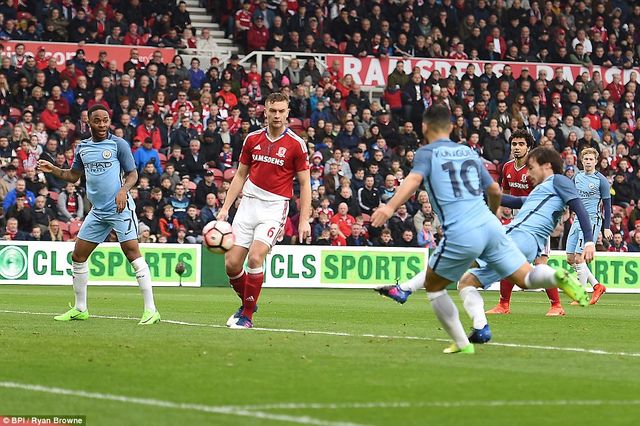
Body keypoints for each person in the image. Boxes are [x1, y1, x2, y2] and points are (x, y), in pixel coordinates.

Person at [371, 105, 588, 354]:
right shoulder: (468, 153)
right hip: (493, 228)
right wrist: (494, 213)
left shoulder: (427, 152)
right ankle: (493, 317)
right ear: (452, 127)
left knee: (436, 286)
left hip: (466, 228)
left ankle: (455, 335)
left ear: (424, 128)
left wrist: (389, 208)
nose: (528, 172)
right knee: (519, 278)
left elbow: (413, 179)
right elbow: (496, 192)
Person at [37, 105, 160, 325]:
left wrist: (123, 190)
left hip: (120, 207)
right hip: (98, 211)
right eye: (97, 121)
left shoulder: (118, 144)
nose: (102, 125)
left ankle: (151, 310)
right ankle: (80, 308)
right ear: (88, 123)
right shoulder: (83, 147)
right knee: (78, 256)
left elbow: (133, 173)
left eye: (105, 120)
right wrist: (53, 169)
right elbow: (73, 176)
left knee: (132, 253)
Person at [217, 92, 311, 329]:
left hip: (274, 207)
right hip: (248, 204)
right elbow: (240, 175)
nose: (277, 115)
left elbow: (305, 183)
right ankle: (249, 302)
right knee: (231, 264)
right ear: (265, 112)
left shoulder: (296, 145)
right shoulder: (252, 139)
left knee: (256, 257)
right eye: (273, 110)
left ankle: (247, 316)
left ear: (288, 112)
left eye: (281, 111)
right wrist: (225, 208)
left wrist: (304, 220)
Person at [487, 130, 564, 316]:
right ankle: (503, 305)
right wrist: (499, 210)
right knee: (508, 260)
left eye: (521, 144)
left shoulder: (535, 169)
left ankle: (557, 305)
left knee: (540, 264)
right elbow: (505, 192)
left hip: (537, 223)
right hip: (516, 221)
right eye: (514, 144)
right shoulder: (506, 167)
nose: (517, 148)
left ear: (529, 147)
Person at [565, 148, 612, 305]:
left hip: (592, 221)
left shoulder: (601, 180)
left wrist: (606, 227)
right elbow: (569, 195)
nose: (588, 162)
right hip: (577, 220)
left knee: (580, 258)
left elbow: (607, 204)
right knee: (570, 258)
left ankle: (581, 294)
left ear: (596, 161)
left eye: (591, 159)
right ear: (581, 160)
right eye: (586, 159)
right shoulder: (577, 177)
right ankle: (597, 286)